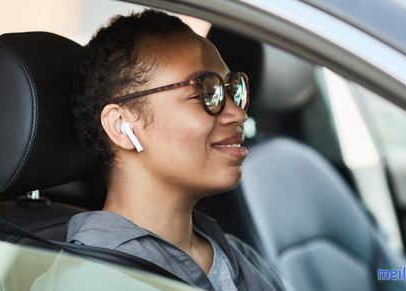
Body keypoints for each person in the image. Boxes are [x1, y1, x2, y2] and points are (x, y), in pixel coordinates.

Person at [67, 9, 286, 291]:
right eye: (206, 93)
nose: (238, 114)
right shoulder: (89, 280)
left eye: (233, 90)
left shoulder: (240, 257)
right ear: (121, 125)